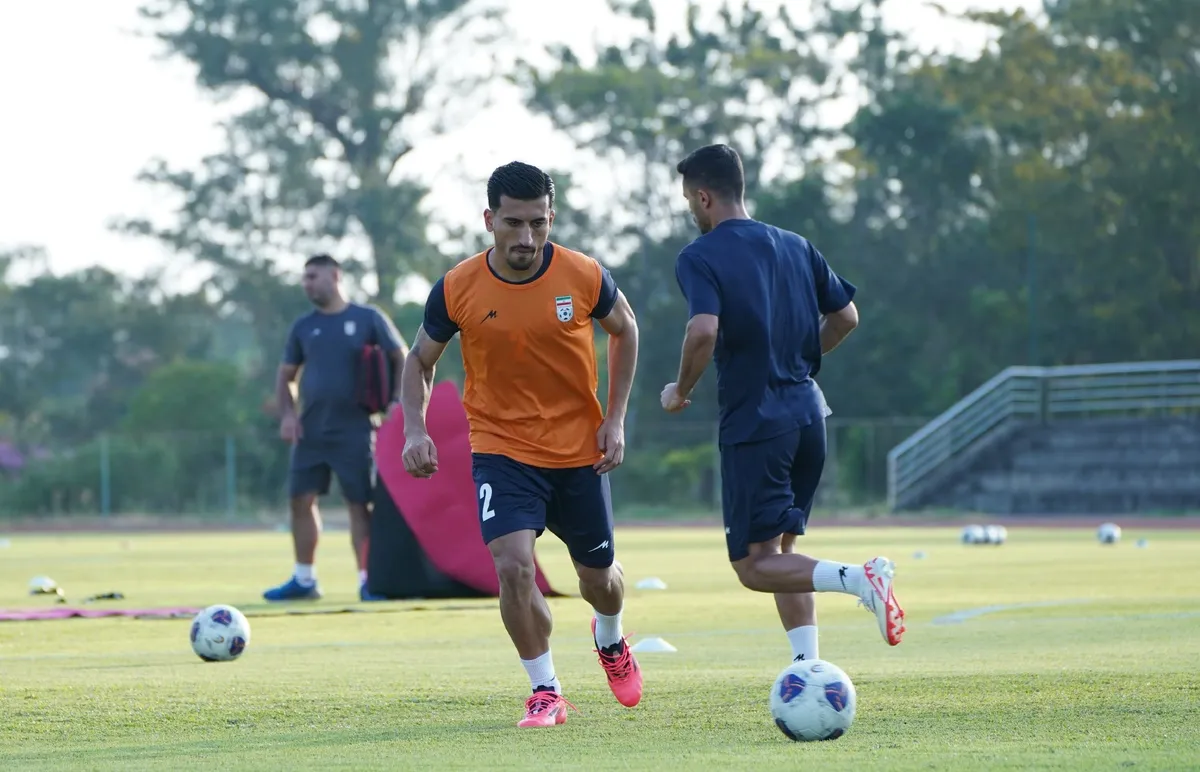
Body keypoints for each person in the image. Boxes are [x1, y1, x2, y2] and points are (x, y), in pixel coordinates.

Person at [398, 161, 643, 728]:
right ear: (490, 220)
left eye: (538, 223)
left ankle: (609, 637)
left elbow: (625, 329)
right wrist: (415, 427)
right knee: (513, 567)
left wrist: (616, 418)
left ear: (551, 218)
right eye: (513, 223)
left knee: (599, 581)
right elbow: (419, 360)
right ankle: (544, 690)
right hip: (501, 451)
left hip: (579, 453)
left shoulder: (584, 275)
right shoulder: (457, 287)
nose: (527, 238)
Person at [659, 144, 905, 665]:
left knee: (753, 566)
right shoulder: (796, 245)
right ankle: (807, 666)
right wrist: (799, 357)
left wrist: (680, 389)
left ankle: (859, 579)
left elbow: (703, 330)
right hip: (810, 416)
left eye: (688, 200)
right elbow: (846, 317)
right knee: (782, 554)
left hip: (756, 423)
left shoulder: (698, 255)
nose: (690, 210)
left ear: (703, 197)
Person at [265, 253, 407, 603]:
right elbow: (286, 375)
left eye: (313, 276)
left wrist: (397, 401)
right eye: (305, 278)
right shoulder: (303, 326)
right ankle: (304, 580)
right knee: (300, 500)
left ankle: (368, 580)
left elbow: (401, 355)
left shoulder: (368, 317)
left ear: (335, 276)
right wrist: (288, 415)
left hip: (355, 429)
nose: (307, 284)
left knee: (359, 504)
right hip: (311, 431)